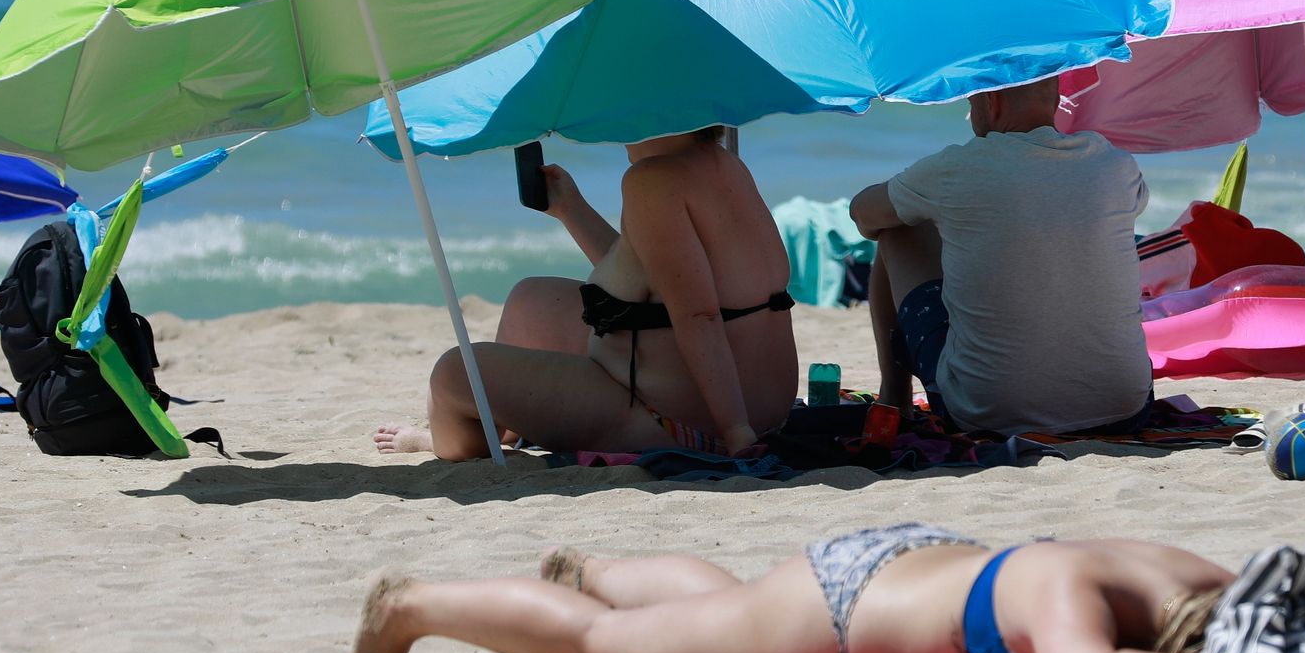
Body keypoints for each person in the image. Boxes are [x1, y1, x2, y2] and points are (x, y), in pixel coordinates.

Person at [350, 528, 1234, 653]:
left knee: (733, 606)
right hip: (846, 610)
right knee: (602, 650)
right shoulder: (1071, 599)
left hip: (899, 565)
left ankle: (597, 571)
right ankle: (413, 604)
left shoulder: (1176, 570)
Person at [372, 127, 797, 459]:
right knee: (531, 300)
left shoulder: (651, 180)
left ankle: (444, 442)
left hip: (675, 417)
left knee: (454, 374)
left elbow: (699, 316)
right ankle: (509, 421)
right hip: (764, 403)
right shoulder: (723, 165)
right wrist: (569, 210)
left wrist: (736, 432)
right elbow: (661, 273)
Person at [848, 77, 1152, 436]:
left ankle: (894, 397)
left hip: (988, 412)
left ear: (991, 101)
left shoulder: (958, 168)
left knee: (898, 227)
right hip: (1124, 405)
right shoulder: (1114, 164)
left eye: (969, 102)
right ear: (1054, 99)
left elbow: (864, 213)